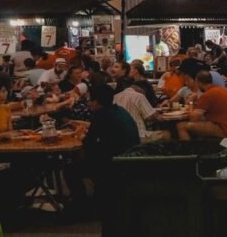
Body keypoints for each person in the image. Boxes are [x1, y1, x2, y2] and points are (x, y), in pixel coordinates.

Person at [64, 82, 139, 212]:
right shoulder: (118, 110)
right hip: (129, 157)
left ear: (97, 102)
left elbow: (89, 143)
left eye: (90, 100)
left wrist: (79, 135)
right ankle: (99, 196)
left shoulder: (101, 115)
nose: (88, 103)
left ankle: (81, 205)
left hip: (114, 163)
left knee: (71, 169)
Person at [177, 63, 227, 140]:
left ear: (198, 82)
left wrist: (191, 102)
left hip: (225, 129)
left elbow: (193, 118)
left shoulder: (208, 94)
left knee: (181, 126)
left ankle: (189, 150)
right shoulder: (220, 90)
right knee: (201, 124)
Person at [112, 73, 157, 137]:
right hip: (138, 135)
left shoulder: (114, 97)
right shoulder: (139, 96)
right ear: (134, 85)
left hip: (120, 136)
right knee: (167, 134)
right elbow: (151, 117)